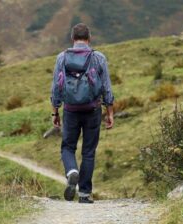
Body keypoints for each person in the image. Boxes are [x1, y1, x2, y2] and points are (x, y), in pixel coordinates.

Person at [50, 23, 114, 203]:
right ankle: (85, 194)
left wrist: (55, 112)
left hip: (70, 110)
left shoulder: (61, 58)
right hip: (92, 109)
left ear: (72, 38)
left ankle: (72, 171)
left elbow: (56, 87)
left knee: (67, 147)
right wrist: (110, 112)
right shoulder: (98, 57)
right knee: (88, 151)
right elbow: (107, 87)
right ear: (89, 38)